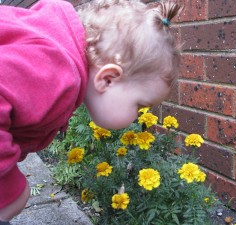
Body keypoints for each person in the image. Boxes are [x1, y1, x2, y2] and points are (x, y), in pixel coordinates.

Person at [0, 0, 181, 222]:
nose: (138, 117)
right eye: (140, 105)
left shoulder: (54, 51)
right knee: (15, 196)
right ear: (108, 79)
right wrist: (7, 176)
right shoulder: (56, 71)